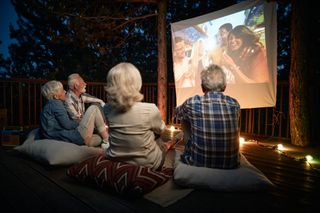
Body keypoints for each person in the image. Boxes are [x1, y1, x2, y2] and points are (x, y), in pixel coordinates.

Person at [103, 62, 172, 170]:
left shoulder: (107, 109)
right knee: (162, 138)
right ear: (136, 83)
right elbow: (163, 132)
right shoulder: (150, 109)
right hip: (148, 164)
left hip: (115, 160)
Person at [174, 64, 240, 169]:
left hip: (198, 162)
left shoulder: (193, 102)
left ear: (202, 86)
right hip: (231, 164)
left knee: (184, 117)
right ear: (224, 85)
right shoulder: (234, 104)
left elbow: (177, 113)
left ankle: (191, 150)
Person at [39, 80, 109, 147]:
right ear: (56, 96)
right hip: (69, 137)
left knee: (100, 137)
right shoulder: (56, 104)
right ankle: (107, 140)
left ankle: (105, 139)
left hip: (58, 138)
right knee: (94, 108)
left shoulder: (49, 105)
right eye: (62, 91)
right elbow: (67, 125)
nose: (65, 91)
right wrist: (81, 122)